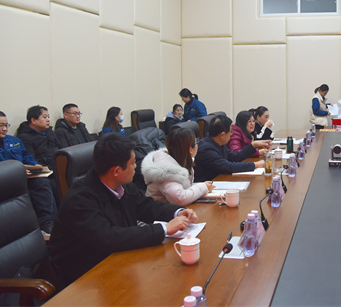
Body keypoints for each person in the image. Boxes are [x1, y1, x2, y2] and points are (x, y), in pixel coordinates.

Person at [49, 133, 197, 287]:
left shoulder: (121, 184)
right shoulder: (80, 199)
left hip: (118, 260)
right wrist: (164, 229)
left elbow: (146, 206)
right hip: (83, 277)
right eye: (132, 163)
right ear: (116, 171)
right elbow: (109, 237)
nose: (136, 167)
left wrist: (177, 212)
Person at [0, 110, 57, 236]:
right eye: (1, 125)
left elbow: (26, 156)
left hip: (25, 176)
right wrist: (17, 173)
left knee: (43, 182)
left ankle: (47, 222)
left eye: (6, 125)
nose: (5, 129)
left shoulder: (13, 141)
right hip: (3, 182)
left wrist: (35, 165)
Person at [141, 127, 214, 206]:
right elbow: (180, 199)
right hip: (159, 212)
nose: (197, 145)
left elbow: (183, 187)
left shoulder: (180, 160)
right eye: (196, 143)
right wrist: (203, 187)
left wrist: (203, 186)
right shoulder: (165, 171)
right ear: (190, 149)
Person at [194, 115, 267, 182]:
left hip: (219, 179)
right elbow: (228, 167)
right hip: (208, 185)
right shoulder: (206, 149)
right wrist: (255, 164)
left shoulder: (218, 142)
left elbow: (235, 157)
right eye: (230, 132)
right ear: (222, 135)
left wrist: (253, 145)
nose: (231, 134)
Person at [17, 105, 60, 169]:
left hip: (58, 164)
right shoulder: (24, 137)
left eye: (48, 117)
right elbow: (31, 160)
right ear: (33, 120)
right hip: (44, 169)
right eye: (44, 117)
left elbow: (59, 147)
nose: (48, 120)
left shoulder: (49, 131)